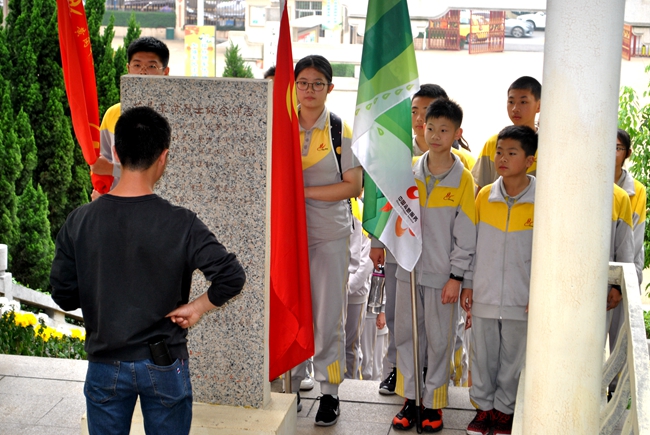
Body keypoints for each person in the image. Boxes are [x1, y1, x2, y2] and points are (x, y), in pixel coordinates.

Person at [50, 106, 247, 435]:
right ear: (163, 157)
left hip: (104, 362)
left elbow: (64, 296)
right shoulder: (182, 223)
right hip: (164, 361)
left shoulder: (81, 220)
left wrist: (101, 289)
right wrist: (197, 308)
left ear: (116, 152)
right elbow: (232, 276)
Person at [392, 98, 476, 432]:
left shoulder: (463, 180)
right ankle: (410, 399)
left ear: (457, 134)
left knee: (440, 341)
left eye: (444, 130)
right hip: (408, 270)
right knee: (407, 336)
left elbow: (466, 236)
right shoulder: (409, 170)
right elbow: (392, 217)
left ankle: (434, 403)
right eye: (431, 128)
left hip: (443, 277)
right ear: (423, 129)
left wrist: (457, 276)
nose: (436, 135)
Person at [289, 54, 363, 426]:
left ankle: (329, 393)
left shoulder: (339, 130)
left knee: (328, 314)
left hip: (329, 234)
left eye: (318, 83)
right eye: (303, 82)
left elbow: (353, 186)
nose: (310, 90)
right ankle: (291, 384)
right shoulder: (282, 125)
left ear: (329, 88)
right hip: (288, 234)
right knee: (291, 309)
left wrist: (303, 193)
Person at [460, 125, 537, 435]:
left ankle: (504, 412)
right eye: (499, 152)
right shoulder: (484, 196)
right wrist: (468, 282)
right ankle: (483, 409)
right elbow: (471, 244)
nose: (502, 158)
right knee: (482, 356)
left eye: (511, 153)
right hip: (485, 293)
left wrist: (539, 293)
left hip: (522, 297)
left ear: (529, 160)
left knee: (513, 359)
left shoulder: (543, 201)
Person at [90, 37, 171, 197]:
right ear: (128, 68)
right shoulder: (113, 114)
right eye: (137, 65)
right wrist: (102, 195)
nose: (143, 72)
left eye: (152, 66)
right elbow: (101, 164)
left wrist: (113, 169)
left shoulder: (173, 115)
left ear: (165, 72)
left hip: (160, 203)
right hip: (118, 203)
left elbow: (169, 170)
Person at [471, 76, 541, 191]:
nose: (515, 109)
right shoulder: (493, 143)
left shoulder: (546, 148)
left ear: (539, 106)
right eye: (511, 102)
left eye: (523, 102)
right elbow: (481, 190)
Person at [344, 197, 373, 380]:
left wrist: (348, 287)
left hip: (355, 293)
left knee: (351, 345)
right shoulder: (335, 202)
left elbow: (367, 258)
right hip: (334, 289)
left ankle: (351, 384)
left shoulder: (362, 209)